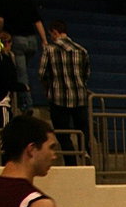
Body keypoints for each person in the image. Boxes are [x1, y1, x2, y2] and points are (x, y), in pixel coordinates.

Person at [39, 21, 91, 160]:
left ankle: (71, 162)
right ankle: (85, 152)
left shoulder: (49, 49)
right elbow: (86, 73)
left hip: (58, 97)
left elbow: (42, 73)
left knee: (63, 134)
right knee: (83, 129)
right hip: (80, 97)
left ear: (55, 32)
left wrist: (48, 88)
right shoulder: (82, 50)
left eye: (51, 35)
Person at [0, 0, 43, 113]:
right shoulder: (28, 1)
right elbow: (37, 21)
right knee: (22, 69)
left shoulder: (4, 1)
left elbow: (0, 20)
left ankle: (27, 104)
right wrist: (43, 39)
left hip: (17, 39)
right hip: (31, 39)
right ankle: (23, 97)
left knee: (21, 73)